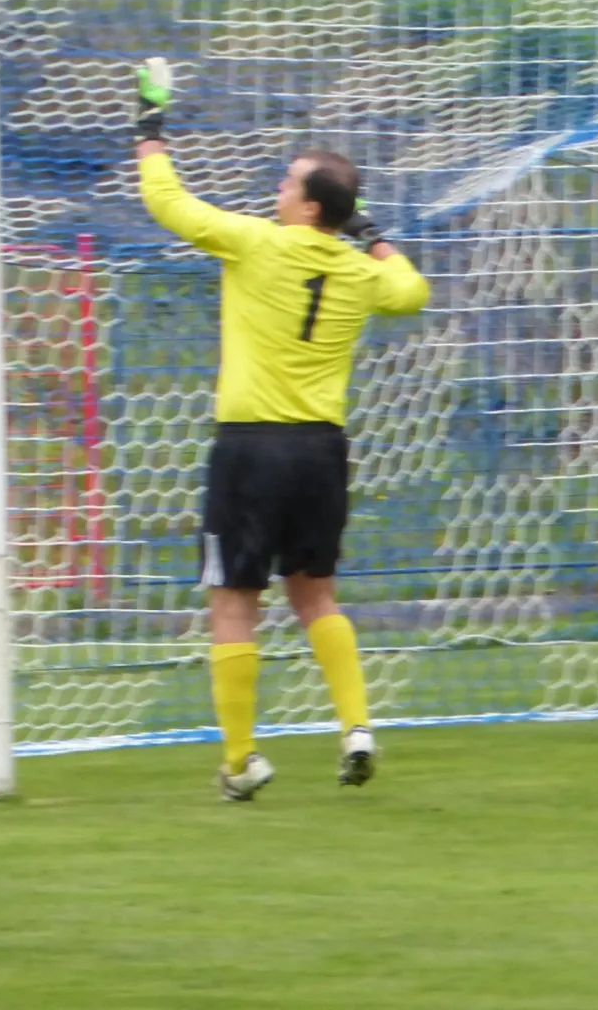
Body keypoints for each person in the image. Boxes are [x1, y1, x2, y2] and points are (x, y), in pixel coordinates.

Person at [133, 57, 430, 800]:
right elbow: (411, 290)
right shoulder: (359, 271)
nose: (277, 191)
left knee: (234, 601)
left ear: (308, 206)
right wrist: (370, 234)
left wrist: (150, 124)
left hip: (251, 448)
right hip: (321, 453)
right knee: (316, 595)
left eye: (288, 184)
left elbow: (166, 199)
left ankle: (240, 762)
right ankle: (356, 727)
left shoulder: (255, 243)